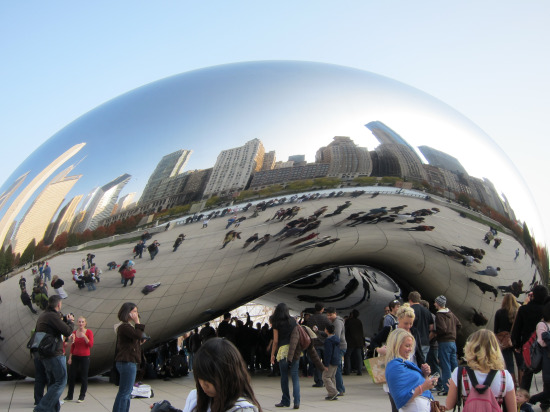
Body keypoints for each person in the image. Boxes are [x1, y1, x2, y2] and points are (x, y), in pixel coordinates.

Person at [181, 338, 261, 412]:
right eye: (200, 377)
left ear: (228, 375)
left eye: (208, 379)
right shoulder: (195, 397)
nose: (203, 384)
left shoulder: (242, 409)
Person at [444, 329, 516, 412]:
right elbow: (512, 410)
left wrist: (456, 390)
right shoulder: (504, 375)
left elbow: (449, 406)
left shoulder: (459, 373)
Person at [33, 295, 75, 412]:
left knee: (53, 383)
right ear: (59, 304)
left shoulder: (44, 315)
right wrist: (71, 322)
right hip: (54, 353)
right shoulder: (52, 316)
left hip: (45, 354)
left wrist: (64, 320)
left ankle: (53, 409)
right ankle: (41, 408)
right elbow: (67, 331)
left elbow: (54, 328)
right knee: (61, 381)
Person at [385, 328, 437, 412]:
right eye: (407, 346)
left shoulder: (403, 364)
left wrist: (425, 375)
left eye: (411, 346)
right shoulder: (395, 366)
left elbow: (416, 386)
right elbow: (401, 398)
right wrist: (424, 387)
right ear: (397, 346)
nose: (410, 349)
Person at [511, 284, 548, 391]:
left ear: (534, 295)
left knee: (527, 372)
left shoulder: (524, 309)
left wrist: (517, 345)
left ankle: (524, 397)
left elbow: (517, 329)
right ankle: (545, 400)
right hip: (545, 344)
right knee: (546, 372)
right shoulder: (546, 310)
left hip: (528, 344)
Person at [112, 302, 146, 412]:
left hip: (127, 361)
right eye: (134, 311)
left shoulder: (126, 327)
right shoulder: (124, 326)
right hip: (127, 362)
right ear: (128, 312)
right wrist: (137, 322)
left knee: (125, 391)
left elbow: (133, 340)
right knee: (125, 392)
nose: (136, 314)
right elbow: (137, 334)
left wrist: (139, 342)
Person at [270, 303, 300, 409]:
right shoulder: (293, 321)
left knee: (284, 376)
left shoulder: (276, 322)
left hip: (283, 350)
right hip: (294, 349)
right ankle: (297, 401)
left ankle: (285, 400)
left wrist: (272, 354)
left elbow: (275, 341)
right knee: (295, 376)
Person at [433, 295, 461, 396]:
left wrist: (436, 334)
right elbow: (459, 325)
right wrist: (453, 333)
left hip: (444, 342)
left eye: (435, 302)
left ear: (438, 304)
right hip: (453, 342)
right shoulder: (451, 314)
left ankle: (447, 388)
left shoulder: (439, 315)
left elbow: (443, 329)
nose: (434, 304)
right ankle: (458, 387)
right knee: (455, 366)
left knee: (445, 366)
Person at [65, 316, 94, 402]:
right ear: (77, 323)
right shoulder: (74, 332)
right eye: (79, 322)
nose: (81, 323)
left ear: (85, 323)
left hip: (85, 356)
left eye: (82, 322)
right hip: (75, 356)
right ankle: (69, 396)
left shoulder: (89, 332)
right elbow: (73, 346)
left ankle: (82, 396)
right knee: (72, 376)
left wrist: (84, 337)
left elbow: (90, 345)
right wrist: (70, 357)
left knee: (84, 376)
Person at [527, 300, 550, 409]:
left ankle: (532, 401)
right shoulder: (542, 324)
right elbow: (542, 342)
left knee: (548, 391)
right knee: (548, 390)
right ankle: (530, 401)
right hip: (547, 360)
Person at [494, 293, 520, 386]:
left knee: (509, 365)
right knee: (520, 364)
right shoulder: (517, 312)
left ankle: (512, 385)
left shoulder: (499, 312)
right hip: (517, 340)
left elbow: (495, 329)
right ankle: (522, 385)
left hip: (505, 341)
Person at [325, 307, 346, 396]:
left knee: (336, 369)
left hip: (339, 347)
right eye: (328, 315)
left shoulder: (337, 322)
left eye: (330, 315)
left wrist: (328, 339)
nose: (329, 317)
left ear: (335, 313)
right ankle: (337, 389)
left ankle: (340, 389)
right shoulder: (334, 322)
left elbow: (335, 337)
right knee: (335, 370)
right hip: (338, 346)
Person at [322, 324, 340, 401]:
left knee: (325, 377)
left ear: (326, 330)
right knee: (332, 377)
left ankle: (333, 392)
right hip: (336, 359)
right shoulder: (336, 338)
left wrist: (326, 364)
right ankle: (332, 393)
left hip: (331, 361)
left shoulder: (328, 341)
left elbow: (328, 353)